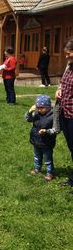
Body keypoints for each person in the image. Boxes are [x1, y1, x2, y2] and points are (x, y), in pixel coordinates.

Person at [25, 95, 57, 181]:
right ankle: (37, 169)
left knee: (47, 158)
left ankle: (50, 173)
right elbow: (28, 119)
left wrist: (46, 131)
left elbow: (56, 130)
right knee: (37, 156)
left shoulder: (53, 116)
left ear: (48, 107)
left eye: (42, 108)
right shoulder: (36, 114)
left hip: (47, 142)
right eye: (38, 107)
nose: (39, 110)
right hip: (36, 140)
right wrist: (29, 112)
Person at [56, 38, 73, 187]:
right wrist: (59, 90)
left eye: (69, 53)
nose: (66, 56)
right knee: (71, 147)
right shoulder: (69, 67)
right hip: (65, 113)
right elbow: (62, 82)